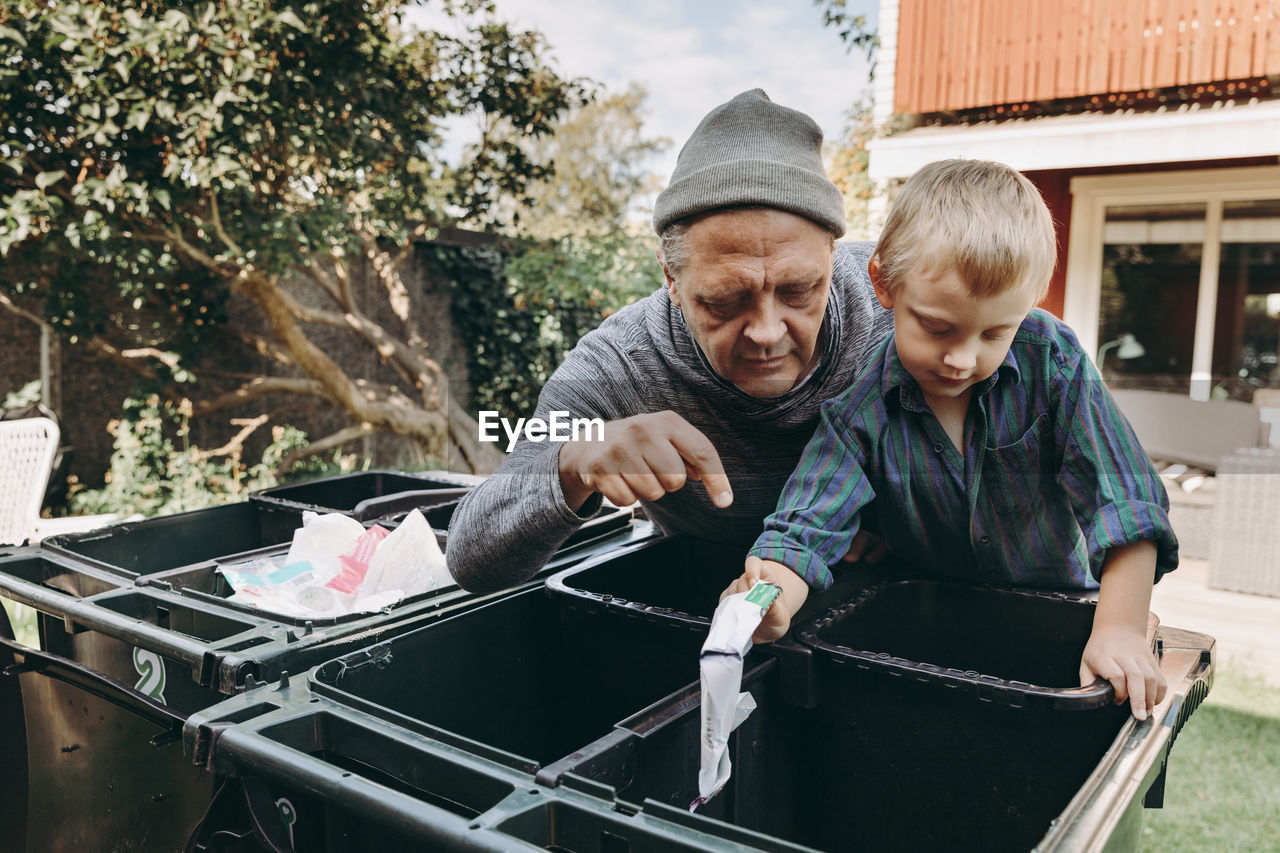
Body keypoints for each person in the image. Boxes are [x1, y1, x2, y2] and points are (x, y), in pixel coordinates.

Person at [729, 159, 1178, 720]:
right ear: (883, 284)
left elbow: (1126, 499)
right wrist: (768, 597)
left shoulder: (1051, 361)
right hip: (937, 631)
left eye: (996, 332)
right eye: (938, 327)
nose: (963, 359)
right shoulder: (858, 412)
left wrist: (1120, 628)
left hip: (1061, 621)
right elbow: (803, 529)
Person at [446, 89, 894, 593]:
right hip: (706, 612)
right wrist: (572, 460)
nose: (767, 332)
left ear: (833, 257)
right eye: (725, 300)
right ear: (671, 278)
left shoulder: (902, 302)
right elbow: (470, 558)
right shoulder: (620, 363)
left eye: (799, 290)